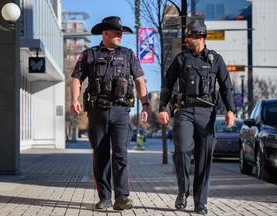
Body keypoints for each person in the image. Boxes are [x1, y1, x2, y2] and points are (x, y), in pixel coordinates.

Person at [70, 16, 149, 211]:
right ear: (105, 33)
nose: (120, 35)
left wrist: (145, 105)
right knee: (101, 155)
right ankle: (104, 198)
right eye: (116, 31)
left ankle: (122, 197)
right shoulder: (90, 54)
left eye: (121, 32)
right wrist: (74, 99)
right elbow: (76, 79)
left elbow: (139, 81)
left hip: (121, 112)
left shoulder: (129, 55)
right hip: (97, 112)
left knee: (121, 154)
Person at [158, 20, 235, 214]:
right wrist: (163, 107)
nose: (186, 40)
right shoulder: (181, 59)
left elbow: (226, 87)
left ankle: (200, 202)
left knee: (204, 158)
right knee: (182, 149)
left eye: (189, 36)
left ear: (200, 37)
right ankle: (183, 191)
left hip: (207, 113)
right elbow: (167, 83)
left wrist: (230, 110)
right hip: (184, 111)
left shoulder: (215, 59)